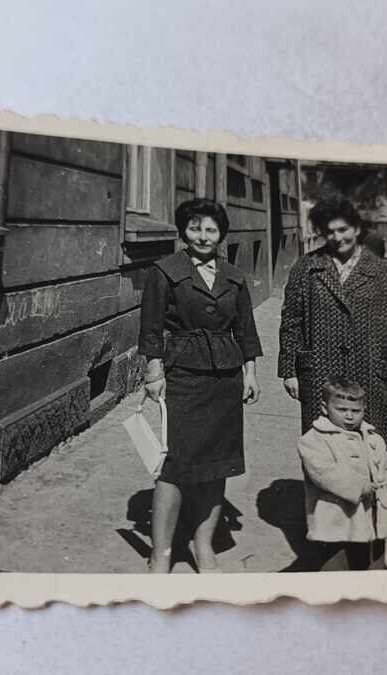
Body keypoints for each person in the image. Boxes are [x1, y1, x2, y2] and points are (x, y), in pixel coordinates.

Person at [137, 198, 263, 573]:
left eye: (210, 229)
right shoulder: (164, 271)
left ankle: (203, 545)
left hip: (225, 378)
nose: (203, 236)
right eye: (195, 228)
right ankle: (161, 552)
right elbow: (151, 326)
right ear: (183, 231)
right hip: (183, 375)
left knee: (216, 464)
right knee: (174, 465)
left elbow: (246, 329)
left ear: (221, 234)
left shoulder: (234, 276)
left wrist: (251, 372)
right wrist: (154, 371)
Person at [278, 198, 387, 470]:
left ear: (357, 229)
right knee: (326, 456)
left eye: (343, 230)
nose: (337, 238)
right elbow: (291, 321)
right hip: (321, 373)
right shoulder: (306, 268)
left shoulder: (386, 275)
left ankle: (381, 498)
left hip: (373, 376)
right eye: (329, 232)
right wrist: (289, 371)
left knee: (377, 454)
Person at [297, 378, 387, 571]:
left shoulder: (374, 439)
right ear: (325, 408)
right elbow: (325, 474)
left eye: (356, 411)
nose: (349, 417)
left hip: (374, 518)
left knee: (374, 567)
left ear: (364, 409)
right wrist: (361, 486)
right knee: (336, 570)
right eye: (341, 410)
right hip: (337, 520)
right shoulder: (313, 440)